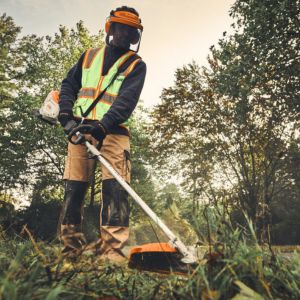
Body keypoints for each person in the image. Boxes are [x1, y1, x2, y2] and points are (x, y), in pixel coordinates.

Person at [57, 6, 146, 261]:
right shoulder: (88, 57)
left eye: (129, 30)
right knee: (73, 190)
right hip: (79, 131)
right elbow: (69, 85)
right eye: (119, 27)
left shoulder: (136, 65)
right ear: (111, 28)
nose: (123, 33)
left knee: (115, 192)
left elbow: (125, 101)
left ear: (134, 36)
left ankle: (113, 254)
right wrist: (65, 114)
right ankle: (70, 251)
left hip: (114, 133)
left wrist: (103, 125)